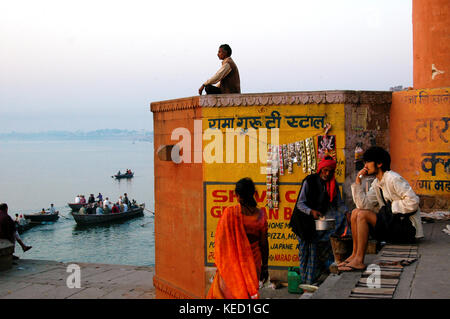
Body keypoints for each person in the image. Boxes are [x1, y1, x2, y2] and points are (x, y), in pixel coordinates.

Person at [338, 146, 424, 272]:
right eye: (365, 162)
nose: (365, 165)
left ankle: (359, 260)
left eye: (368, 162)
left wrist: (391, 207)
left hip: (407, 229)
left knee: (362, 215)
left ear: (379, 163)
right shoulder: (377, 183)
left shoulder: (393, 178)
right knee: (356, 213)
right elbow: (363, 206)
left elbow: (413, 201)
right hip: (393, 225)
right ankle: (354, 255)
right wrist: (357, 182)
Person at [289, 156, 348, 284]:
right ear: (320, 169)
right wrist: (311, 211)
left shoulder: (332, 184)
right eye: (325, 170)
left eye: (330, 171)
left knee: (317, 251)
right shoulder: (309, 181)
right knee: (305, 253)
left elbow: (339, 203)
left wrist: (347, 213)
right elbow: (300, 203)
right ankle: (306, 282)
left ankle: (311, 280)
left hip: (317, 223)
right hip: (303, 222)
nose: (327, 174)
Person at [207, 178, 269, 299]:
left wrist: (224, 262)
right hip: (253, 263)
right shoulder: (261, 214)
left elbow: (221, 242)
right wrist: (265, 267)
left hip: (231, 265)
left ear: (238, 196)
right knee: (247, 294)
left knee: (227, 294)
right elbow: (264, 243)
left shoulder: (229, 213)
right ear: (253, 194)